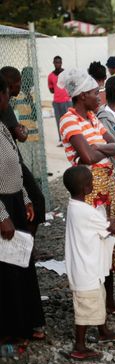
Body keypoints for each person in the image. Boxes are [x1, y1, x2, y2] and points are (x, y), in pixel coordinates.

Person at [58, 68, 115, 321]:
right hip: (87, 187)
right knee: (93, 245)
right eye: (93, 93)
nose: (98, 96)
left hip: (107, 185)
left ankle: (108, 301)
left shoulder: (92, 117)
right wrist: (103, 150)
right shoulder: (69, 120)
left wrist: (97, 148)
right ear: (80, 96)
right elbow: (86, 158)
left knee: (109, 242)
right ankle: (94, 302)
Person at [63, 165, 115, 360]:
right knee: (86, 308)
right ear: (86, 189)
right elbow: (111, 227)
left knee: (98, 299)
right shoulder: (85, 212)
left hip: (88, 268)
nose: (93, 184)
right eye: (91, 182)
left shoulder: (76, 207)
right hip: (85, 271)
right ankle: (79, 346)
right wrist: (109, 211)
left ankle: (103, 332)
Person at [0, 74, 45, 345]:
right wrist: (2, 216)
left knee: (20, 264)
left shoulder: (3, 126)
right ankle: (10, 329)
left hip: (15, 200)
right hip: (3, 206)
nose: (9, 99)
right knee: (7, 272)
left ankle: (24, 324)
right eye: (7, 94)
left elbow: (14, 166)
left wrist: (26, 198)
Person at [0, 66, 46, 238]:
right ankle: (27, 247)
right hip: (9, 167)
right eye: (18, 83)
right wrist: (23, 131)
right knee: (36, 200)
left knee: (26, 201)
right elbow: (20, 134)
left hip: (12, 165)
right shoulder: (6, 106)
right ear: (10, 86)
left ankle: (24, 249)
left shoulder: (7, 103)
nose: (20, 87)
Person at [48, 56, 71, 144]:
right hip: (57, 102)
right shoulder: (50, 76)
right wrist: (58, 90)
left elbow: (70, 85)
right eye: (56, 62)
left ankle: (69, 137)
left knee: (68, 120)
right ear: (53, 63)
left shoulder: (66, 73)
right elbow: (51, 89)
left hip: (67, 101)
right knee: (59, 121)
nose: (57, 64)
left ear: (61, 63)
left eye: (59, 62)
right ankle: (61, 139)